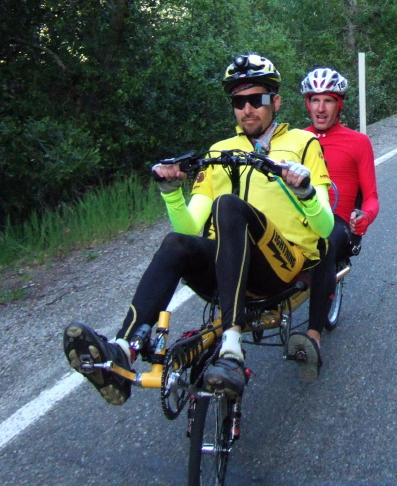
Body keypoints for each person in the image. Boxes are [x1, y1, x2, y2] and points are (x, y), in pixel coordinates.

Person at [63, 53, 334, 404]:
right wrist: (171, 193)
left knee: (228, 206)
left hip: (279, 267)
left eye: (257, 99)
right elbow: (191, 228)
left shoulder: (303, 144)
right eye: (239, 101)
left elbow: (326, 226)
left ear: (276, 102)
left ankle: (232, 349)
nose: (247, 109)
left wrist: (306, 192)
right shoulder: (220, 152)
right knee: (177, 243)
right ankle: (122, 351)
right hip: (227, 270)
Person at [286, 67, 379, 382]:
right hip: (295, 219)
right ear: (306, 104)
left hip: (337, 222)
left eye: (328, 100)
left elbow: (372, 198)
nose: (321, 108)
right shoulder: (294, 140)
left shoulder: (358, 142)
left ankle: (312, 335)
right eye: (315, 100)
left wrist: (363, 217)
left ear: (339, 104)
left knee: (322, 241)